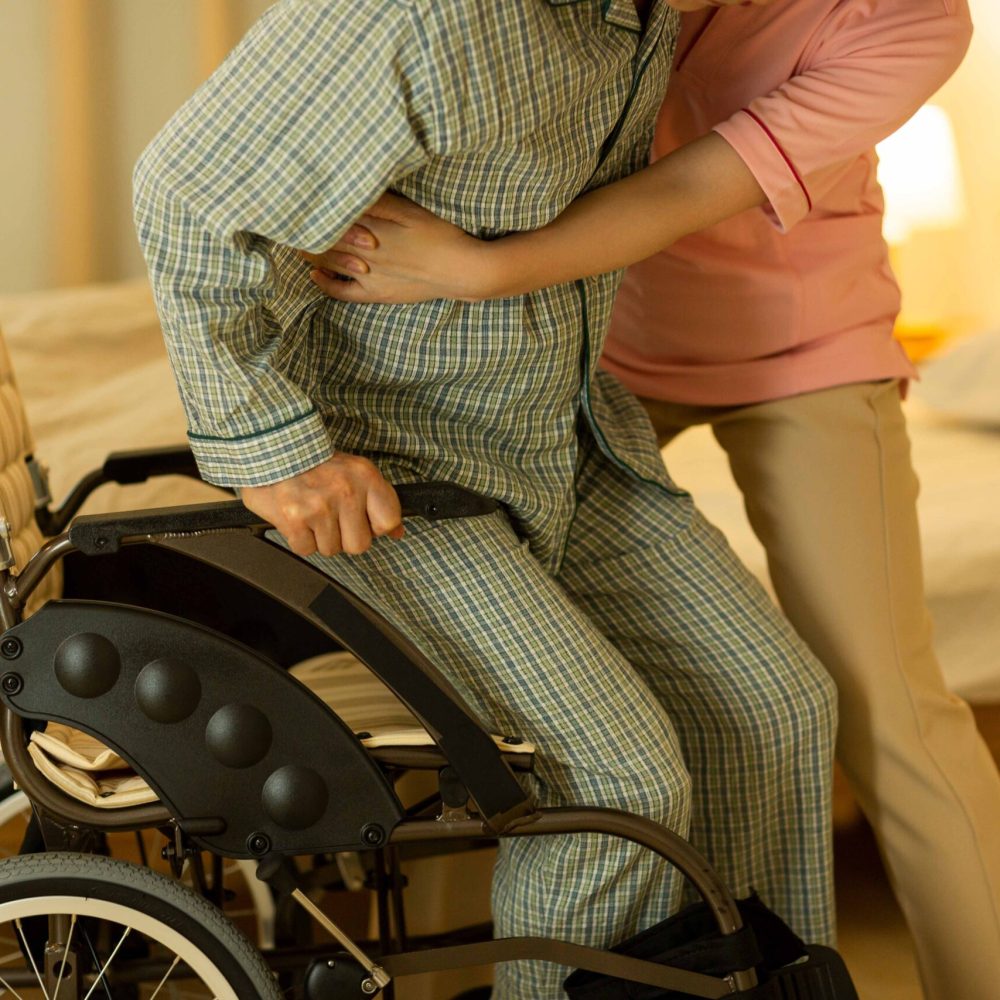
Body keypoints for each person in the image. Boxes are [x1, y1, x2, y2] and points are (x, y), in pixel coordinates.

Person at [133, 2, 838, 997]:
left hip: (561, 432)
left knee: (776, 709)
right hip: (396, 466)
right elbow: (184, 195)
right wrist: (277, 454)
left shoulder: (638, 16)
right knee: (618, 785)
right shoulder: (428, 11)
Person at [302, 1, 1000, 997]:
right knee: (500, 692)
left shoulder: (912, 25)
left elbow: (688, 184)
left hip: (801, 347)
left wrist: (477, 268)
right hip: (594, 342)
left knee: (885, 705)